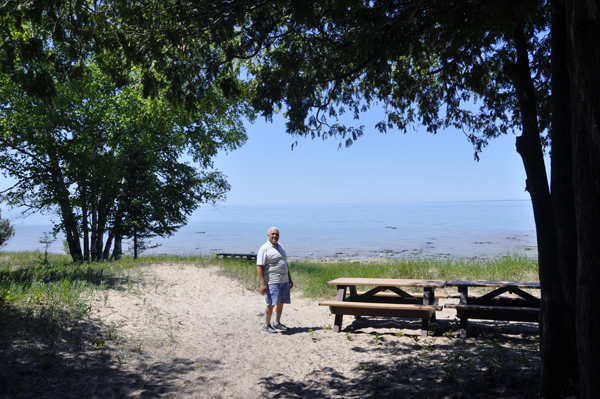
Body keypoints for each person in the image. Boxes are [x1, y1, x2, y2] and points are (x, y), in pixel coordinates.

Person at [256, 227, 293, 333]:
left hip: (284, 281)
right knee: (271, 304)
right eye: (272, 234)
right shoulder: (264, 248)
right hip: (272, 281)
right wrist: (263, 283)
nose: (275, 236)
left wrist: (289, 278)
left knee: (281, 302)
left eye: (276, 234)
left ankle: (277, 322)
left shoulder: (280, 247)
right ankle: (266, 325)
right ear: (268, 235)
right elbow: (259, 266)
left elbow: (285, 263)